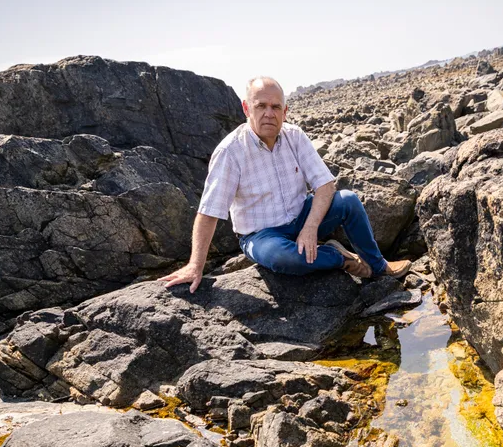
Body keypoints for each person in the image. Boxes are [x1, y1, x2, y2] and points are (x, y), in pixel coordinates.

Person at [160, 76, 411, 293]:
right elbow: (209, 212)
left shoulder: (294, 136)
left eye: (275, 107)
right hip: (261, 235)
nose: (269, 113)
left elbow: (325, 184)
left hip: (300, 215)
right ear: (247, 108)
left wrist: (310, 227)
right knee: (283, 258)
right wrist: (195, 266)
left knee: (348, 201)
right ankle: (340, 258)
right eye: (261, 106)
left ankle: (378, 266)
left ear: (285, 111)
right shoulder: (230, 151)